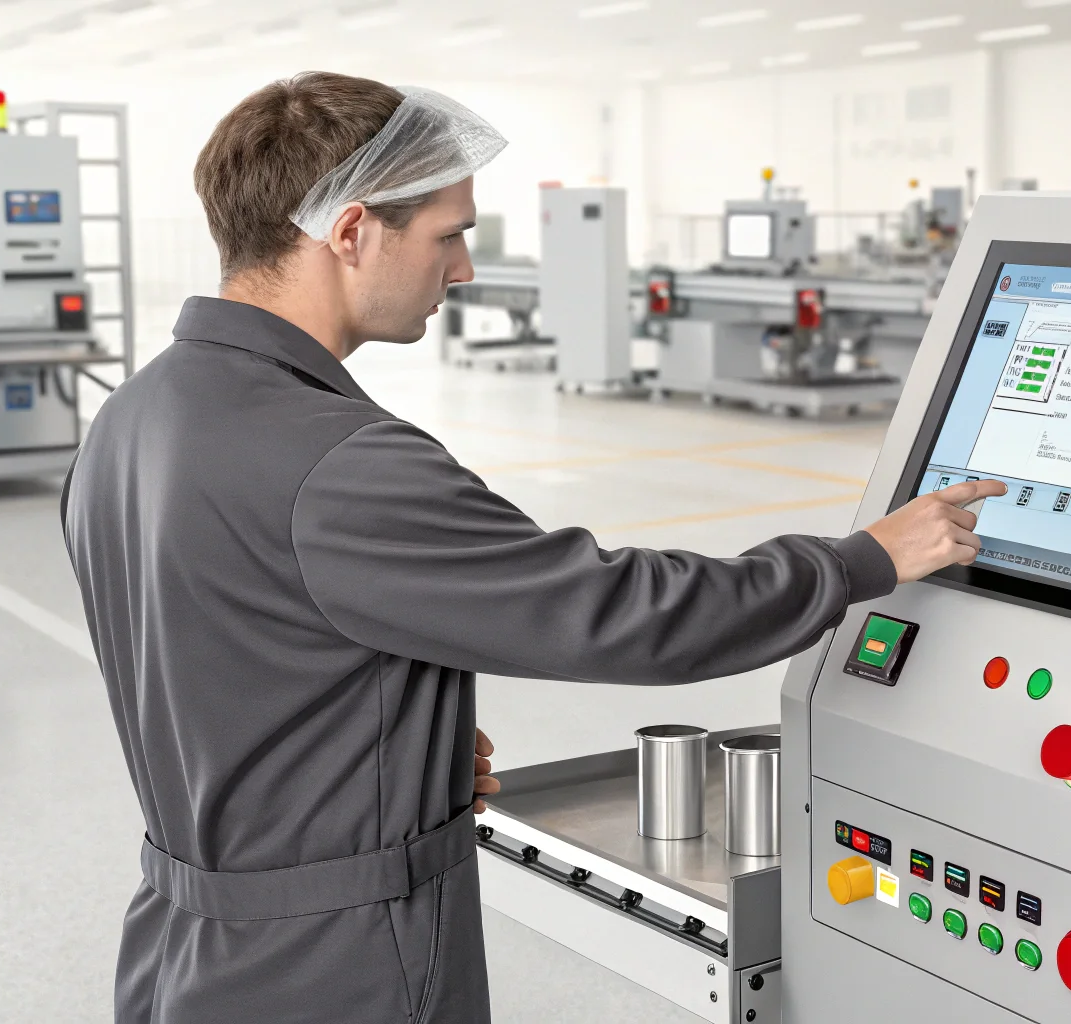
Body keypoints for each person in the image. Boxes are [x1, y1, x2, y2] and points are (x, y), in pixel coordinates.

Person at [61, 72, 1003, 1023]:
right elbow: (618, 614)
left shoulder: (133, 417)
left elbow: (218, 650)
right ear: (350, 234)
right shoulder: (339, 465)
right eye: (448, 233)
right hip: (335, 967)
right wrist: (859, 562)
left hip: (181, 953)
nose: (464, 268)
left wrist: (385, 741)